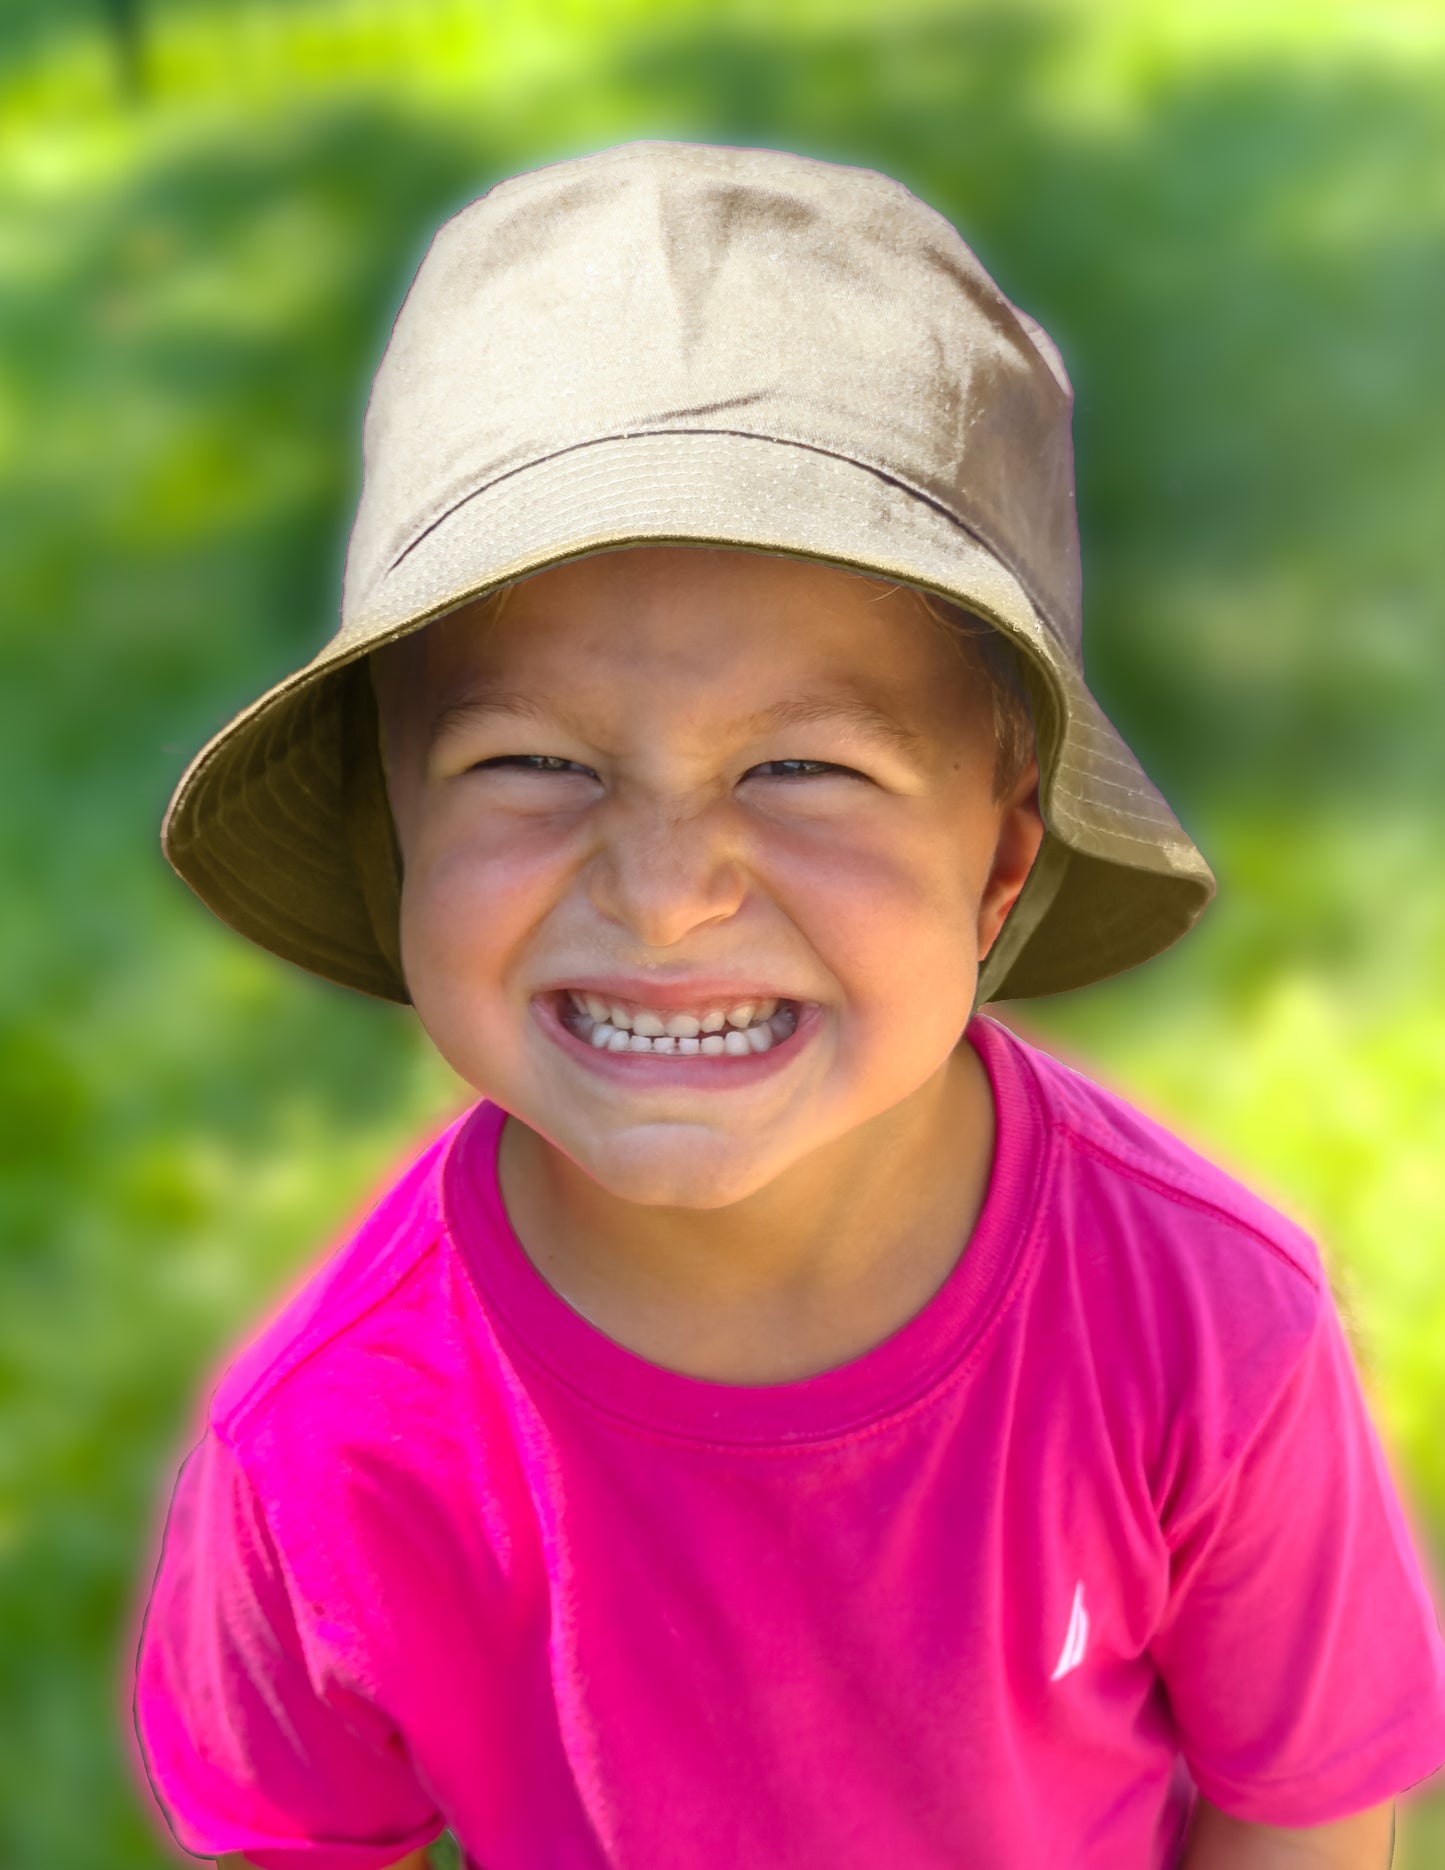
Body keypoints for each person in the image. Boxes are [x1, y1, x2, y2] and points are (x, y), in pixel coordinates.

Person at [132, 141, 1445, 1869]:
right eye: (531, 762)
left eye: (803, 766)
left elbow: (1308, 1818)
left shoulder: (1206, 1331)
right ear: (394, 840)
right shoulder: (328, 1443)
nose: (664, 886)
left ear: (998, 862)